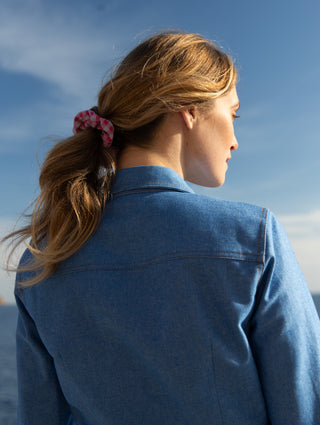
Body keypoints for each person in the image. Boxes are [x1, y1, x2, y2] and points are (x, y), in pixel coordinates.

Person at [7, 31, 320, 424]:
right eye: (233, 113)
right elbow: (303, 410)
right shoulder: (254, 238)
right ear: (188, 110)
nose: (236, 140)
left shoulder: (44, 260)